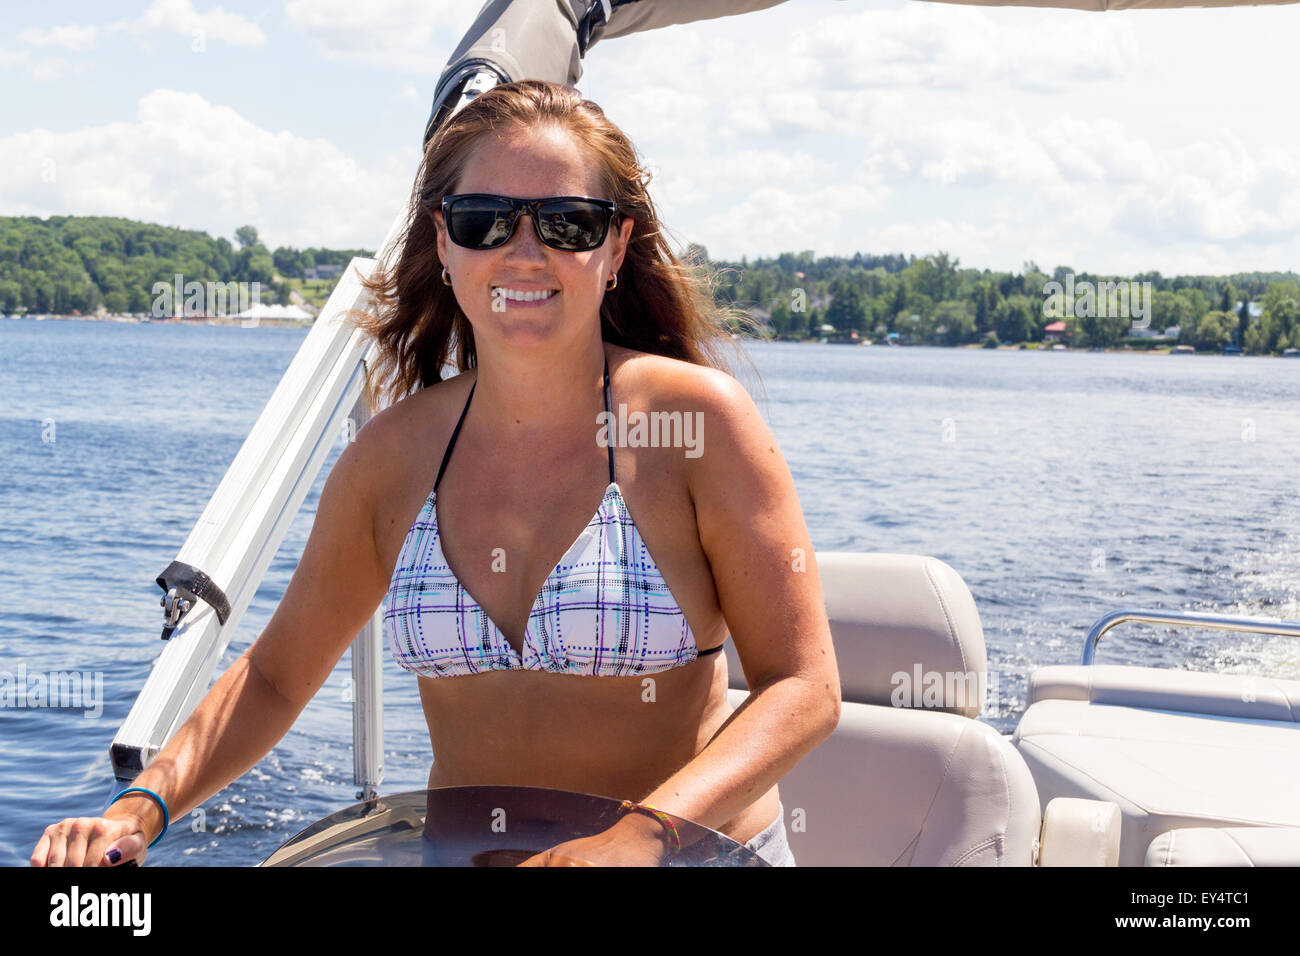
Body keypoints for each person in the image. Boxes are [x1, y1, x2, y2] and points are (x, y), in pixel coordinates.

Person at [31, 78, 839, 868]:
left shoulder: (694, 426)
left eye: (568, 224)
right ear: (444, 241)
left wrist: (637, 838)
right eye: (486, 220)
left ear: (616, 245)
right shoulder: (392, 459)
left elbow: (802, 687)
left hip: (687, 856)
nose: (525, 254)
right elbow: (275, 678)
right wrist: (144, 805)